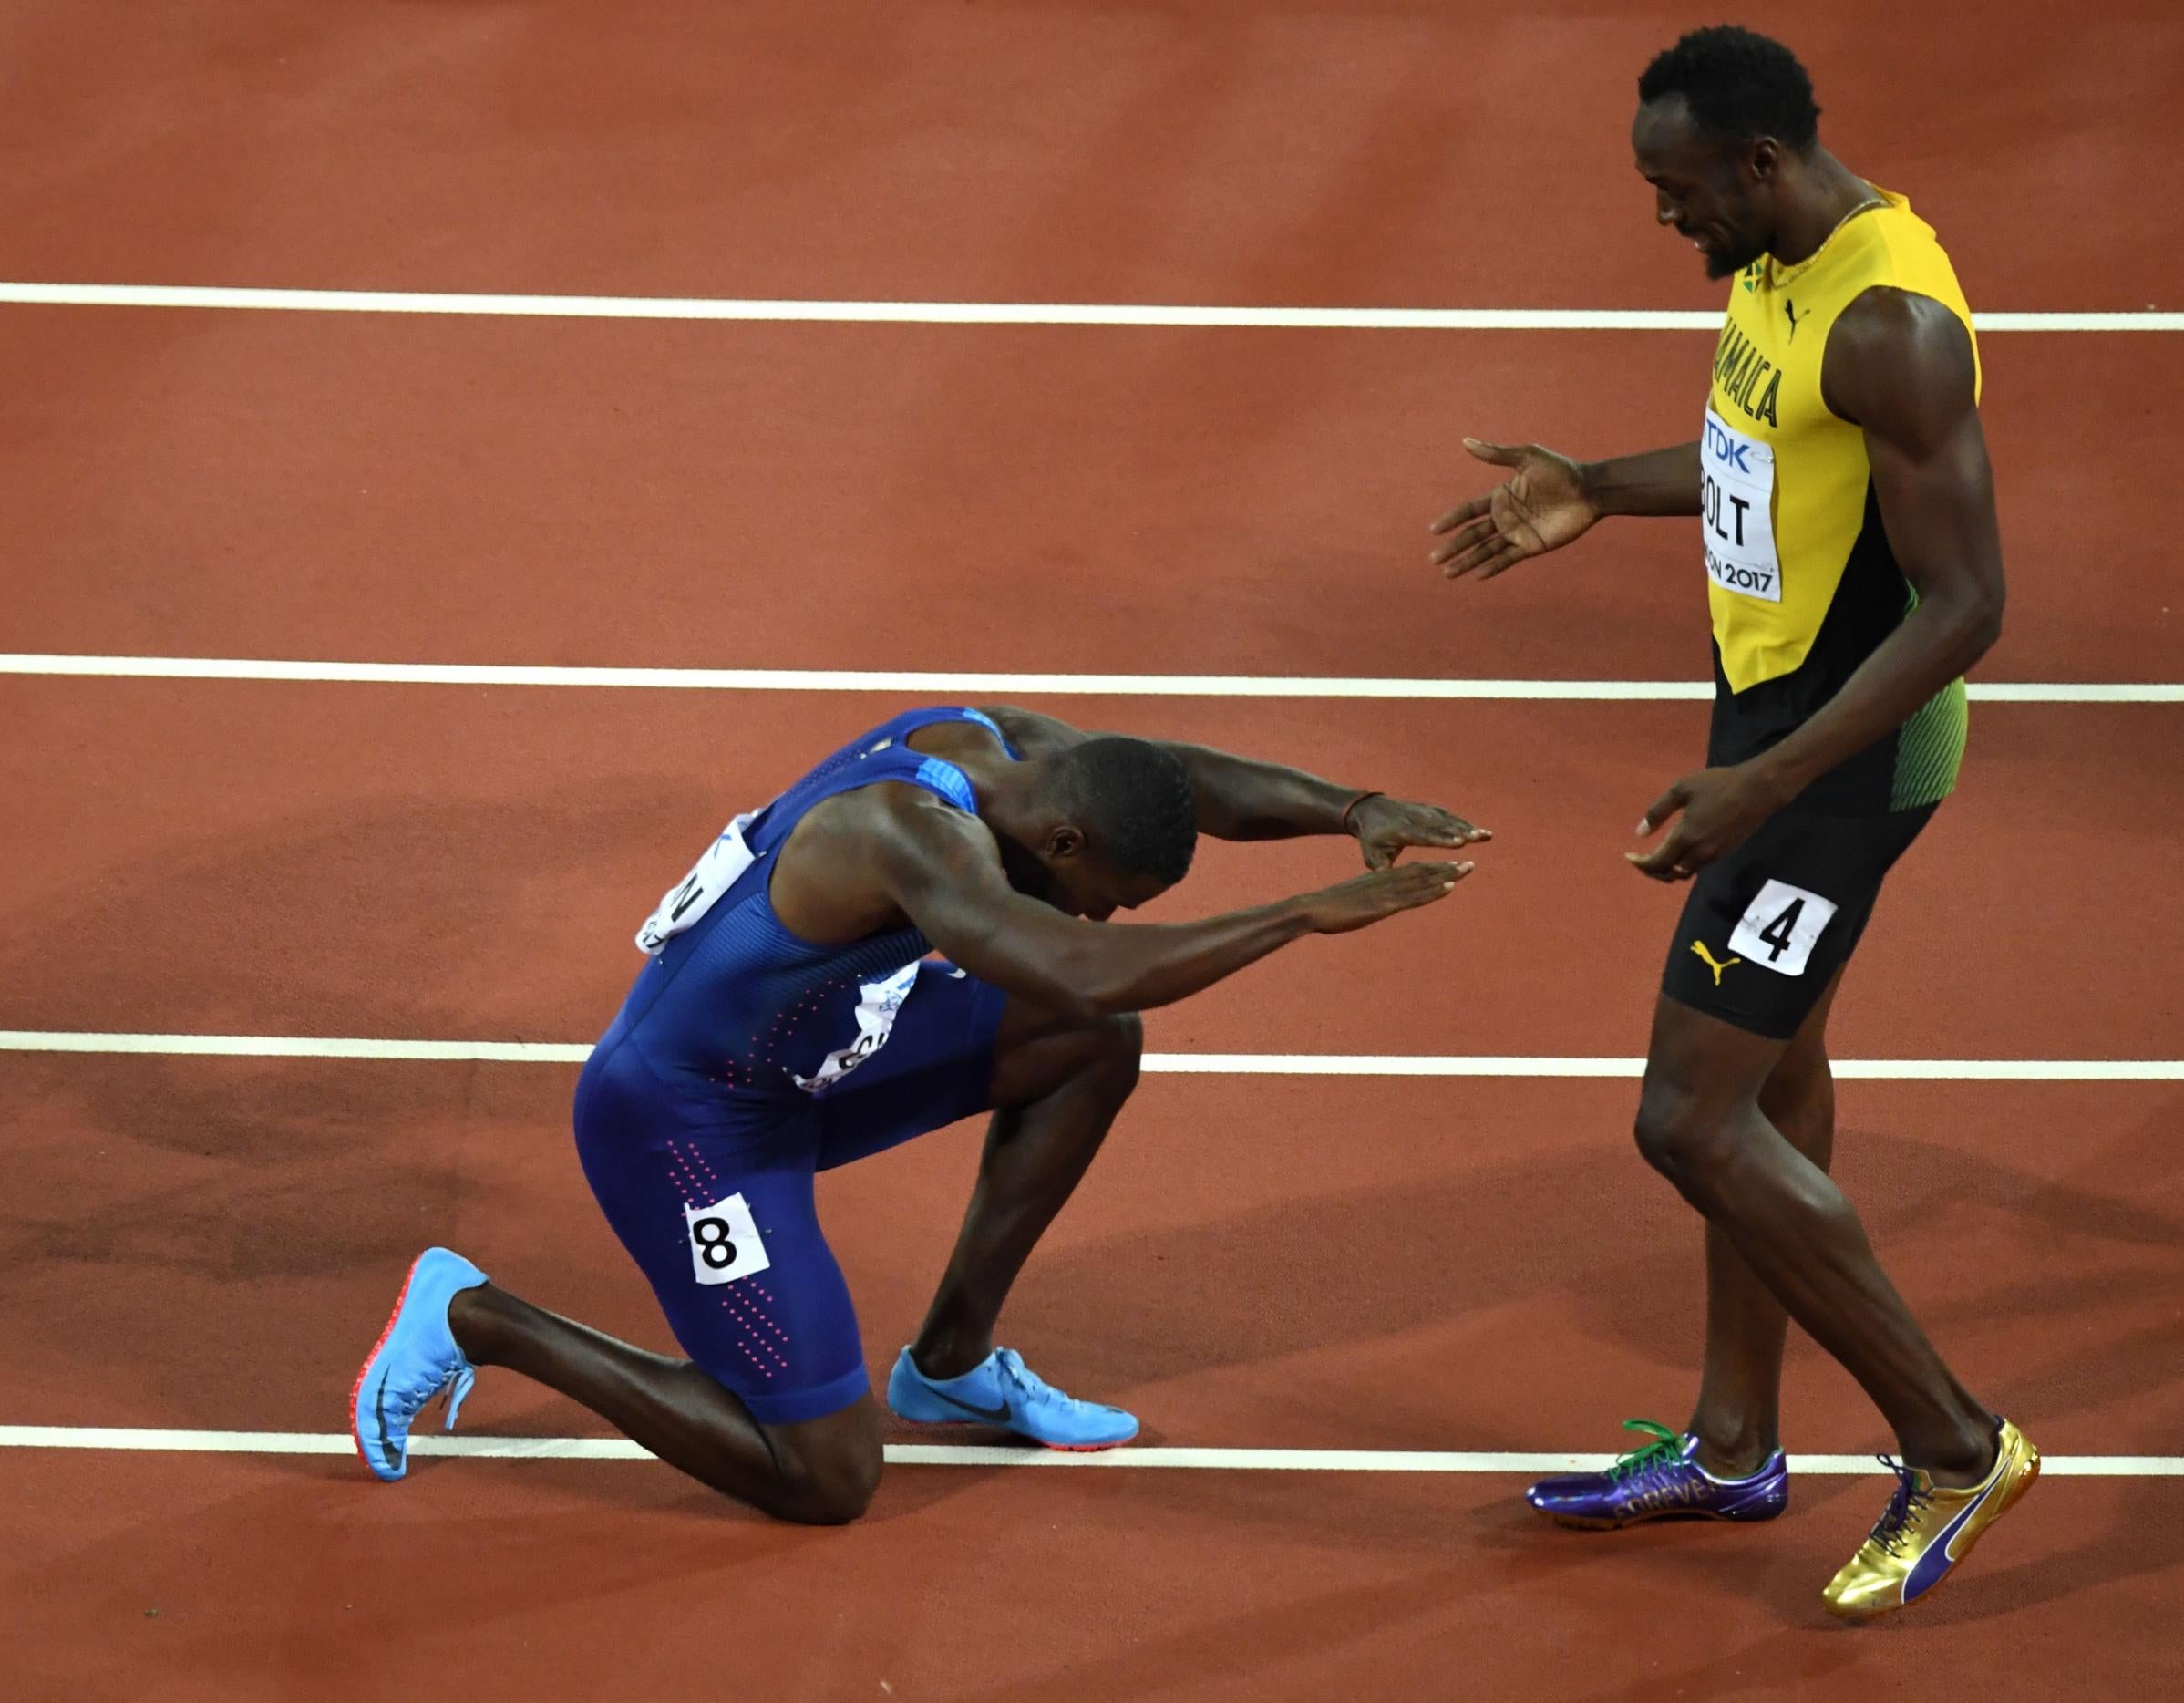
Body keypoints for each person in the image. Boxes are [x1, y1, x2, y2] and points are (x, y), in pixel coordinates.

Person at [1428, 26, 2035, 1618]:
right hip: (1768, 725)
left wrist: (1767, 785)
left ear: (1758, 165)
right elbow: (1755, 453)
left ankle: (1959, 1443)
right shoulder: (1778, 265)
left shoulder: (1892, 319)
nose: (1664, 220)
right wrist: (1596, 490)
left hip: (1845, 766)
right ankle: (1733, 1441)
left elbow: (1968, 605)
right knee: (1779, 1076)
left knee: (1691, 1118)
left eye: (1677, 190)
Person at [353, 704, 1486, 1522]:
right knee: (826, 1479)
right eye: (1109, 895)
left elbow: (1178, 778)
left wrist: (1351, 806)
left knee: (1089, 1045)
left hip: (811, 1063)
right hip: (685, 1125)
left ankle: (947, 1363)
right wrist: (1307, 913)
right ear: (1064, 845)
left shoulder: (1021, 751)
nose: (1101, 910)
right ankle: (481, 1319)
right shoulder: (906, 835)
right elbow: (1074, 962)